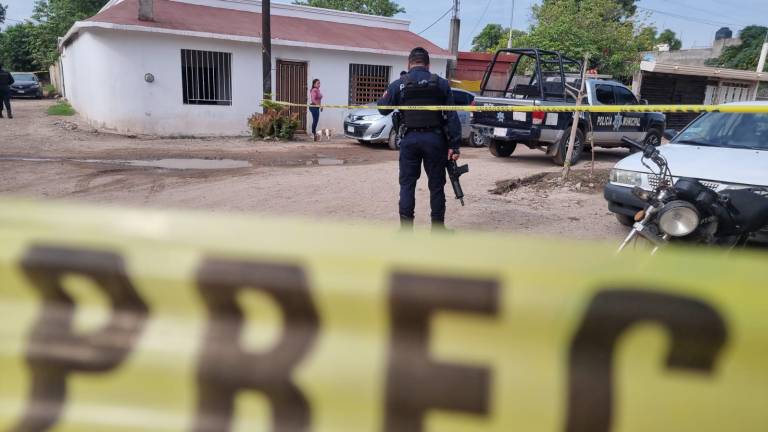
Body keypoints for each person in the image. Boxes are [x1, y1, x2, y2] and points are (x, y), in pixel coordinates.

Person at [378, 47, 462, 230]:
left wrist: (387, 95)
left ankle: (406, 231)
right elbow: (452, 116)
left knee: (407, 184)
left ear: (409, 64)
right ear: (428, 65)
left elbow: (382, 109)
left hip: (409, 140)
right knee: (436, 186)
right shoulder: (441, 84)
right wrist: (454, 146)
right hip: (435, 140)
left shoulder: (399, 84)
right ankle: (438, 231)